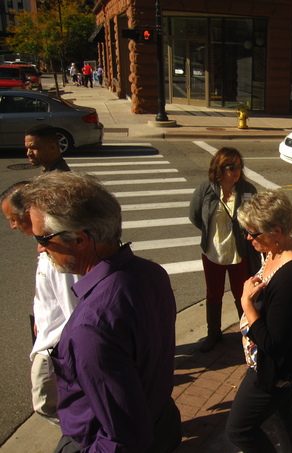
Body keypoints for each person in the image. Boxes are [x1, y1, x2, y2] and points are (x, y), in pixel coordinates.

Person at [20, 172, 182, 452]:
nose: (39, 247)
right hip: (160, 417)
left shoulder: (91, 328)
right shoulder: (152, 272)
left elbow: (123, 439)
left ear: (80, 240)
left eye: (43, 238)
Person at [225, 190, 292, 453]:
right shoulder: (277, 247)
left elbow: (274, 344)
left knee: (239, 430)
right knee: (281, 412)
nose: (248, 238)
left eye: (253, 233)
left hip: (277, 369)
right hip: (279, 364)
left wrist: (246, 304)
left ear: (276, 231)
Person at [1, 182, 80, 425]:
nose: (12, 226)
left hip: (55, 345)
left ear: (30, 213)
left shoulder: (58, 252)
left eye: (13, 219)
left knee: (45, 404)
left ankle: (85, 435)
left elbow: (75, 310)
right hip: (48, 336)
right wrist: (40, 317)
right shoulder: (48, 248)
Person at [189, 147, 257, 352]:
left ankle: (247, 332)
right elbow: (195, 216)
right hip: (213, 252)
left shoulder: (248, 190)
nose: (236, 171)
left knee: (242, 294)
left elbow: (255, 218)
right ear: (219, 168)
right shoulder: (205, 189)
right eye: (231, 167)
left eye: (239, 166)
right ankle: (213, 334)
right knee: (213, 294)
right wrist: (210, 233)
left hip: (238, 253)